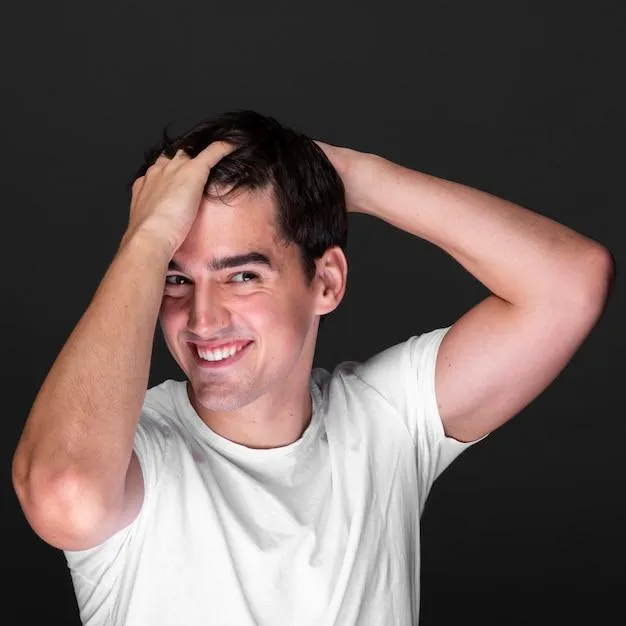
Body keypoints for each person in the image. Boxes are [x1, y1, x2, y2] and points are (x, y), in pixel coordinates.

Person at [12, 110, 613, 626]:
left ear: (326, 282)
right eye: (174, 279)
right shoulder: (132, 455)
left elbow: (570, 284)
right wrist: (146, 240)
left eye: (242, 275)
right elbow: (66, 491)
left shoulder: (385, 422)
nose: (202, 319)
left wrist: (355, 177)